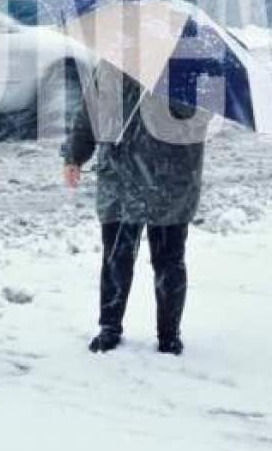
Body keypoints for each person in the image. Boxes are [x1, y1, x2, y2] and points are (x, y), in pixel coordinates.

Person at [63, 63, 208, 355]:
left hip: (170, 179)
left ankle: (169, 335)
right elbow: (90, 113)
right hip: (120, 179)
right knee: (116, 259)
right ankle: (109, 328)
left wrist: (164, 95)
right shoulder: (111, 65)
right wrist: (75, 155)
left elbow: (198, 119)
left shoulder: (189, 66)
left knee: (168, 261)